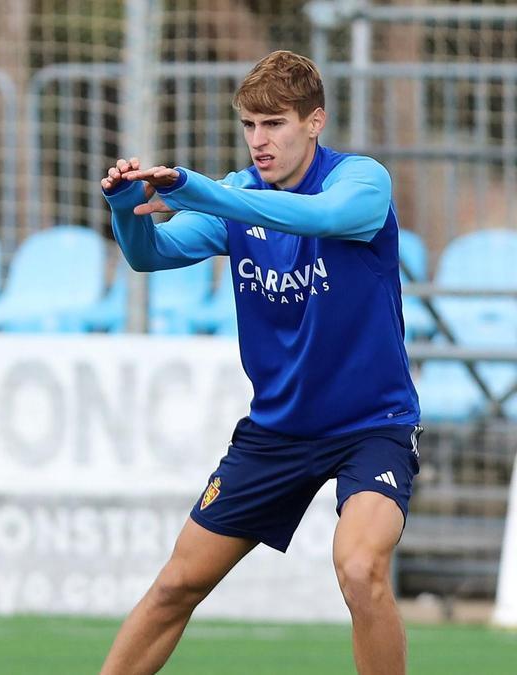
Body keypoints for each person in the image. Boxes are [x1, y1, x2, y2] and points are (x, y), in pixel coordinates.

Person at [97, 50, 421, 675]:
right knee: (175, 587)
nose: (258, 141)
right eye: (249, 125)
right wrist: (124, 209)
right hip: (276, 431)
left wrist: (202, 192)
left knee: (360, 568)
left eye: (274, 123)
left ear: (314, 121)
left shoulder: (359, 182)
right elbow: (152, 254)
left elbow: (317, 217)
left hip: (371, 425)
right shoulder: (237, 194)